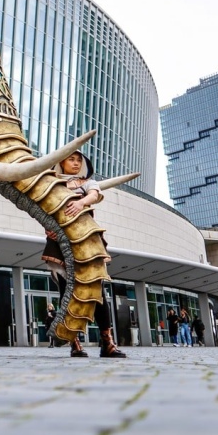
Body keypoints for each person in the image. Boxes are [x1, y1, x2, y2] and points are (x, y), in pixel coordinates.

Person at [41, 150, 125, 358]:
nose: (76, 163)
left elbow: (94, 195)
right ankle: (74, 343)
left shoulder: (87, 183)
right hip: (61, 243)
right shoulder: (51, 182)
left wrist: (81, 202)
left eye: (79, 160)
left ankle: (107, 342)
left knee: (98, 295)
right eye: (72, 159)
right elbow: (43, 208)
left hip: (87, 240)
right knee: (66, 294)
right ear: (61, 161)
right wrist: (48, 226)